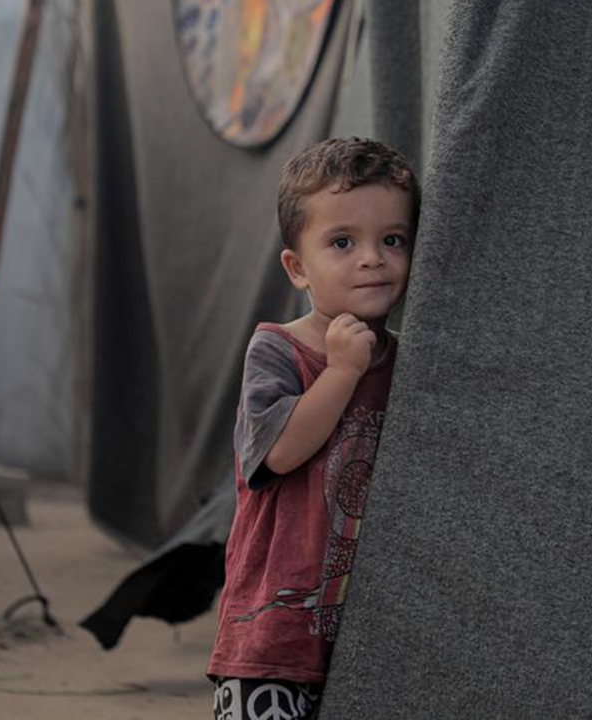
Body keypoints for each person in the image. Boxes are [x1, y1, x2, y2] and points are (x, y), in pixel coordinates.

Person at [208, 137, 420, 720]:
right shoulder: (276, 350)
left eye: (393, 240)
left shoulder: (407, 363)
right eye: (343, 242)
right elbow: (277, 454)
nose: (373, 258)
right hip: (270, 641)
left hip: (364, 642)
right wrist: (343, 371)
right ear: (297, 267)